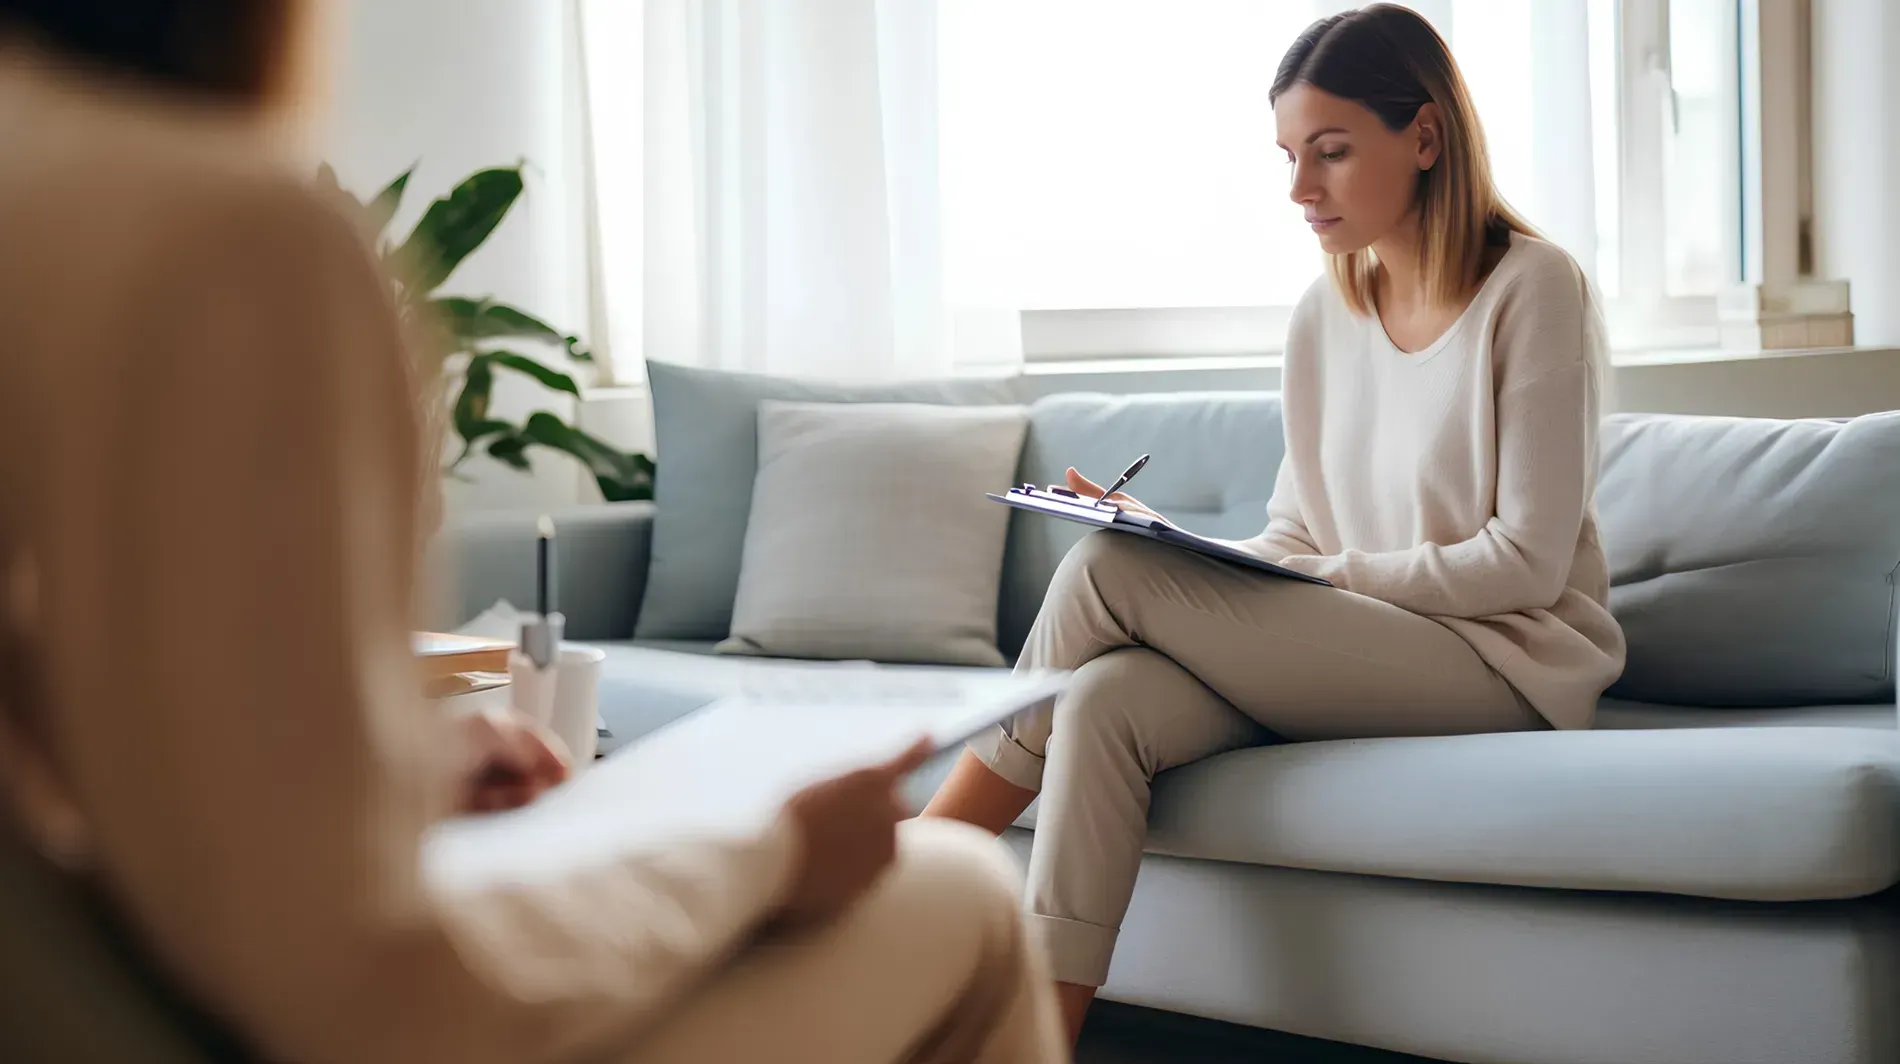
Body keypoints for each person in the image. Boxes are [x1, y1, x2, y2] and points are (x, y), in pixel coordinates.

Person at [0, 2, 1066, 1062]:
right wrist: (773, 854)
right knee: (961, 887)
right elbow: (370, 990)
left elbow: (100, 747)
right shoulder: (224, 228)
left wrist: (392, 766)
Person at [923, 2, 1628, 1043]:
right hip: (1363, 648)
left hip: (1502, 663)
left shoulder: (1533, 287)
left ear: (1425, 137)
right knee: (1108, 697)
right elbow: (1296, 538)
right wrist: (1183, 548)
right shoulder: (1323, 311)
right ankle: (1035, 1039)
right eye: (1291, 157)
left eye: (1331, 152)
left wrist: (1318, 580)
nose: (1301, 189)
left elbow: (1523, 563)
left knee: (1106, 570)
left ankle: (918, 858)